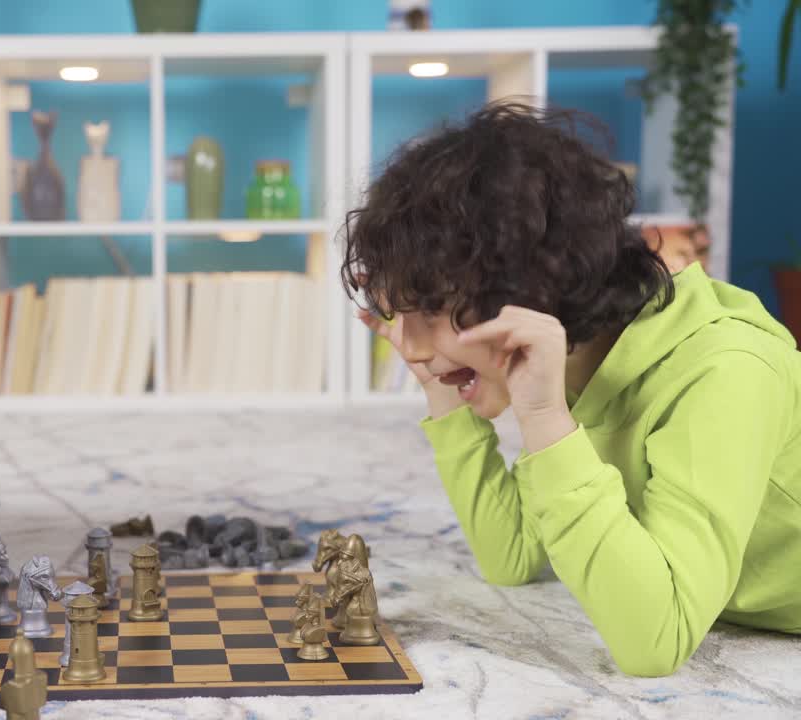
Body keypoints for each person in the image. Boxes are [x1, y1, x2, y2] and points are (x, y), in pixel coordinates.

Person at [342, 101, 801, 677]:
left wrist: (544, 416)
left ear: (534, 287)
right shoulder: (586, 364)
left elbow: (656, 640)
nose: (407, 346)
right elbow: (512, 557)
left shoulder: (726, 370)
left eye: (430, 310)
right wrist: (443, 384)